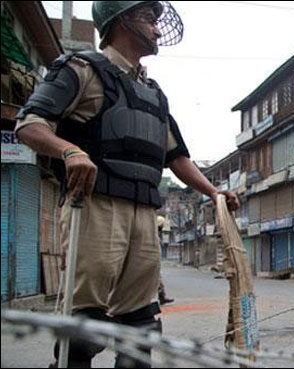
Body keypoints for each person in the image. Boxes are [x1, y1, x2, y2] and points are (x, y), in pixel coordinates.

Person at [14, 2, 239, 367]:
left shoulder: (154, 93)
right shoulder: (82, 70)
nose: (156, 28)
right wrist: (70, 151)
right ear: (121, 21)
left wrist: (213, 193)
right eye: (149, 19)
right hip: (95, 208)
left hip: (145, 216)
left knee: (141, 326)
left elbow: (177, 157)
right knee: (85, 329)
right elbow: (30, 124)